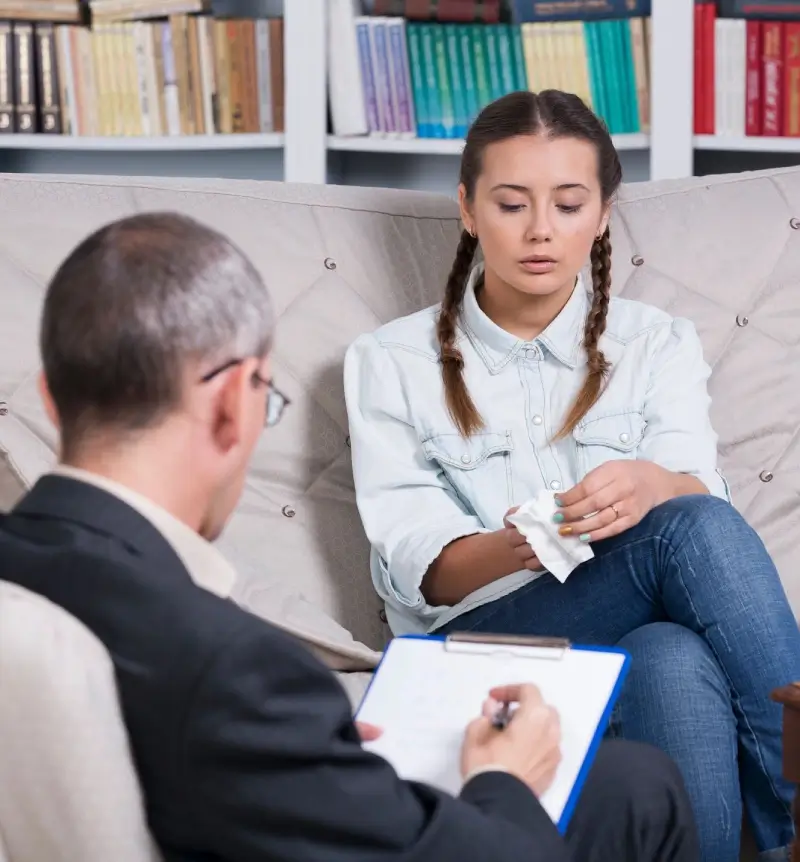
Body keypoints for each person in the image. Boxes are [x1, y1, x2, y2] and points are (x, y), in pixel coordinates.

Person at [0, 212, 697, 862]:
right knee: (645, 787)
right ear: (228, 406)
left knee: (627, 778)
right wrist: (505, 779)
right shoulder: (233, 668)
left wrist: (306, 757)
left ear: (54, 399)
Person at [344, 90, 800, 862]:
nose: (540, 231)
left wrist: (654, 486)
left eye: (567, 203)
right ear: (467, 207)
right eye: (512, 204)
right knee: (685, 534)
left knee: (670, 654)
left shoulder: (656, 344)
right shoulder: (389, 362)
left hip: (631, 628)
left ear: (603, 214)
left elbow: (699, 498)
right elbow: (421, 573)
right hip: (480, 648)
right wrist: (525, 542)